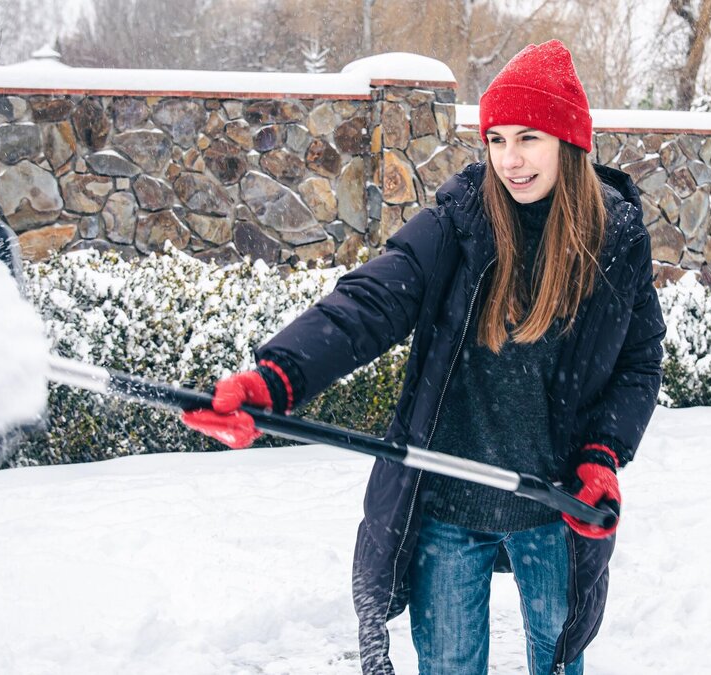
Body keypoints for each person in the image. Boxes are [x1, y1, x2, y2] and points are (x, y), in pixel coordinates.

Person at [183, 39, 665, 675]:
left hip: (555, 504)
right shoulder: (462, 221)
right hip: (448, 504)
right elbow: (372, 300)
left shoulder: (614, 239)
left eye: (529, 138)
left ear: (568, 142)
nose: (511, 160)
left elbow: (638, 363)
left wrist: (603, 456)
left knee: (557, 663)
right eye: (496, 140)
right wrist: (279, 376)